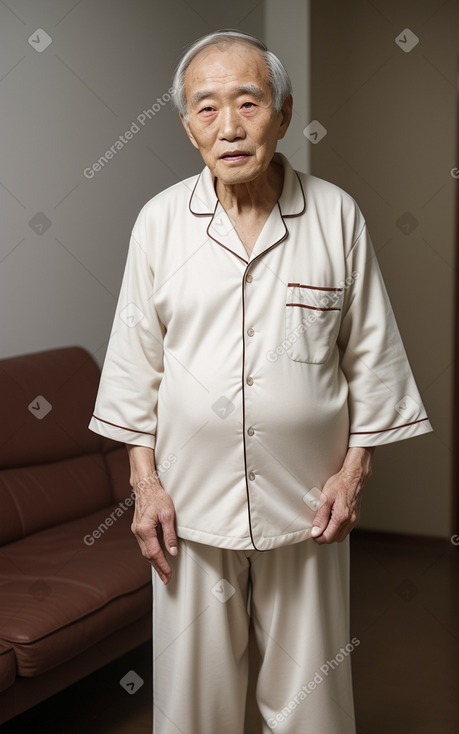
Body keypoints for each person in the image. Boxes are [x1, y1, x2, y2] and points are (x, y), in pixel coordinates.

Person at [89, 29, 432, 734]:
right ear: (187, 127)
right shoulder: (159, 224)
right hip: (188, 506)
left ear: (282, 111)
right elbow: (134, 363)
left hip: (307, 506)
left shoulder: (335, 215)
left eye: (248, 102)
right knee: (191, 706)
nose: (230, 126)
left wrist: (351, 475)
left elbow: (371, 354)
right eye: (206, 108)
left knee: (312, 704)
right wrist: (145, 487)